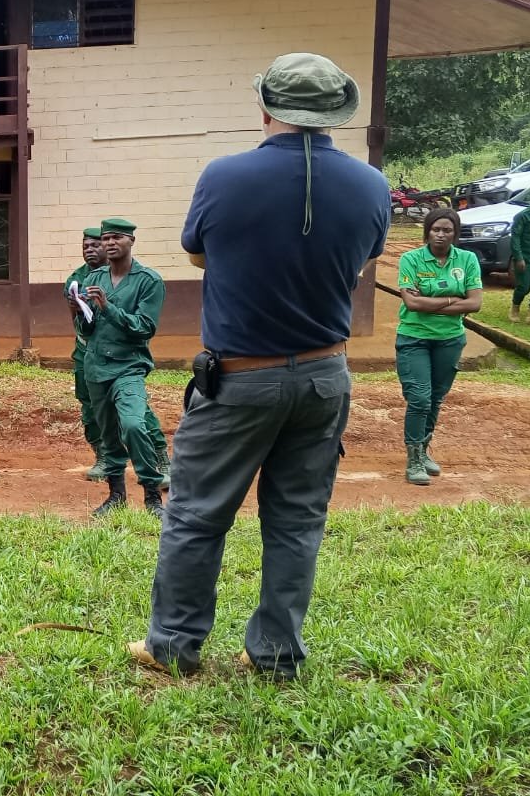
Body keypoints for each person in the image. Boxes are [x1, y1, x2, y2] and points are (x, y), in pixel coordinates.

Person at [132, 52, 389, 681]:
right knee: (298, 519)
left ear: (267, 107)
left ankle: (174, 646)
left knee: (196, 515)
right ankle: (275, 654)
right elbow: (361, 261)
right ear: (334, 114)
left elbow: (198, 256)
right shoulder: (372, 186)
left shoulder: (225, 175)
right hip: (325, 376)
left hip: (240, 378)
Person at [65, 227, 170, 486]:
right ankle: (110, 473)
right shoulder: (84, 278)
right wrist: (78, 310)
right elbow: (85, 326)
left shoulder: (147, 280)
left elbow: (144, 326)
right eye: (104, 239)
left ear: (131, 241)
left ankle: (157, 465)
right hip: (92, 358)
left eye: (114, 238)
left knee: (134, 418)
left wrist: (107, 307)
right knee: (96, 415)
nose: (104, 245)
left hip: (127, 362)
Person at [395, 207, 482, 485]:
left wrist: (430, 301)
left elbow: (475, 303)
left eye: (447, 230)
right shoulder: (410, 259)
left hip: (450, 339)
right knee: (419, 398)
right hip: (414, 337)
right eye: (436, 229)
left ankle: (423, 450)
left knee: (435, 398)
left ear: (455, 233)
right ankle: (413, 459)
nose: (441, 235)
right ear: (427, 231)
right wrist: (453, 299)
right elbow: (412, 303)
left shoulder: (467, 259)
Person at [510, 204, 530, 322]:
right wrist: (519, 257)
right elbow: (515, 237)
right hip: (525, 258)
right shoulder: (522, 216)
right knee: (523, 287)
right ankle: (515, 307)